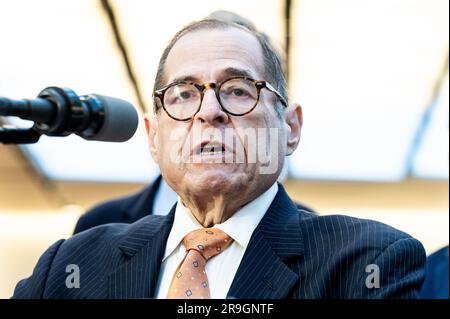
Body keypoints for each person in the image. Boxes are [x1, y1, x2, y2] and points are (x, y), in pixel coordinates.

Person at [13, 14, 426, 299]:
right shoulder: (69, 265)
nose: (209, 112)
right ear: (154, 137)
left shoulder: (368, 261)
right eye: (184, 95)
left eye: (238, 90)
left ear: (290, 128)